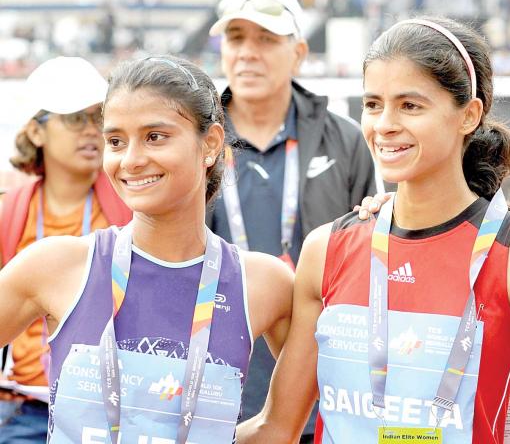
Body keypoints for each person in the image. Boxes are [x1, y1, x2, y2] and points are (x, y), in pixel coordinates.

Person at [236, 16, 510, 443]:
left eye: (410, 105)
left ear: (469, 115)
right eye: (373, 104)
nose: (385, 124)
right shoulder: (328, 249)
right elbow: (276, 427)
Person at [0, 55, 294, 443]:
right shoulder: (55, 265)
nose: (132, 160)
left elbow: (283, 426)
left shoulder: (263, 283)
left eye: (155, 136)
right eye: (116, 141)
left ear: (211, 143)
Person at [206, 0, 380, 436]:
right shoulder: (195, 141)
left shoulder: (343, 139)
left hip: (322, 376)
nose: (247, 51)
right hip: (215, 377)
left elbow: (368, 254)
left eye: (266, 38)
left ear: (298, 52)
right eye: (236, 37)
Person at [0, 56, 131, 443]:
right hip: (21, 409)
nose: (92, 131)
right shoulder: (9, 212)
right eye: (75, 118)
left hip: (107, 412)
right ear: (35, 132)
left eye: (98, 117)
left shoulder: (133, 207)